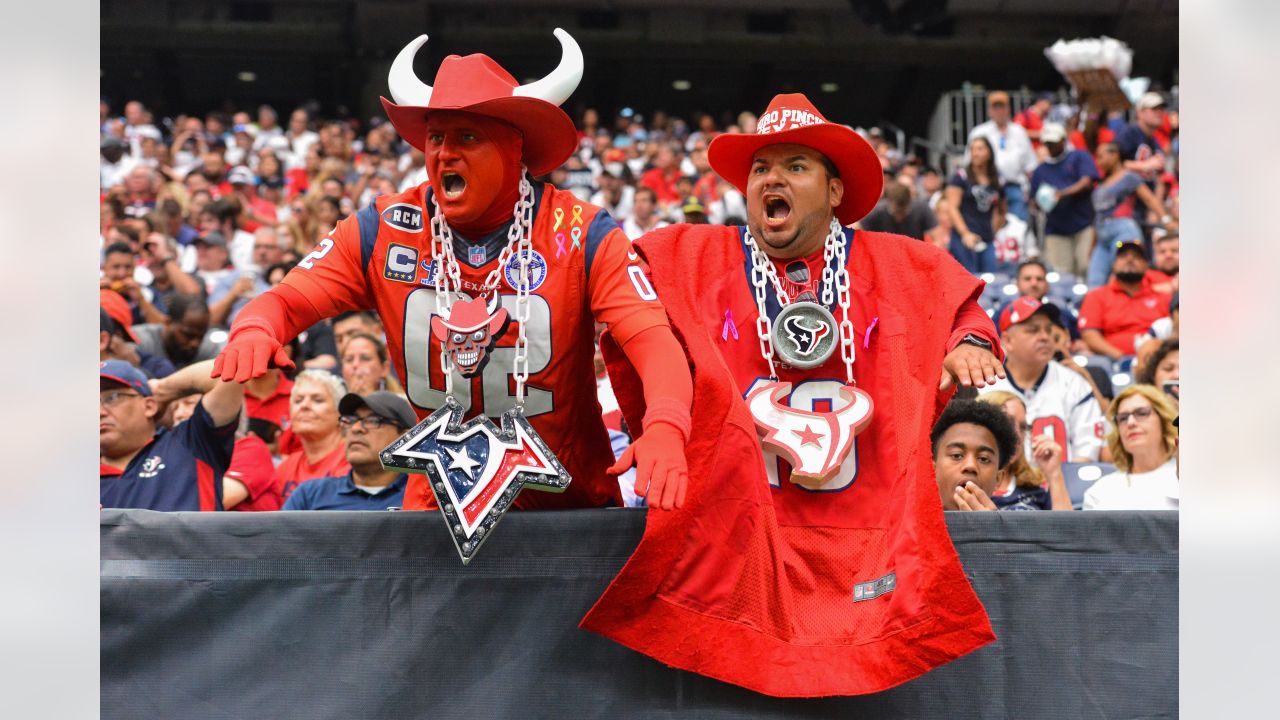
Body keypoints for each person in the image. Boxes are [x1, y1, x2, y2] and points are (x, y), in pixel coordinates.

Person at [583, 93, 1003, 697]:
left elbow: (961, 307)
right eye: (760, 168)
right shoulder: (692, 257)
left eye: (794, 166)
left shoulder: (899, 264)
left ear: (835, 192)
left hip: (864, 541)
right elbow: (626, 314)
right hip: (743, 540)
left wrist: (968, 341)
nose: (771, 179)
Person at [212, 29, 692, 512]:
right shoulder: (383, 228)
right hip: (441, 506)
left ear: (514, 149)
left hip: (567, 505)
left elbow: (651, 337)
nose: (444, 153)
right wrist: (256, 327)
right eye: (435, 137)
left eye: (468, 136)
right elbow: (286, 300)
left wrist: (666, 425)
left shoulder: (582, 230)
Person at [100, 360, 242, 511]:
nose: (100, 412)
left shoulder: (190, 442)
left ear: (149, 406)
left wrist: (162, 389)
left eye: (113, 397)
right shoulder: (77, 481)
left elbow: (231, 370)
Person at [985, 296, 1104, 462]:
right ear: (1007, 341)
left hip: (1062, 484)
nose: (1045, 337)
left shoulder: (1073, 383)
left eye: (1048, 330)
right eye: (1033, 330)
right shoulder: (984, 383)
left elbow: (1086, 453)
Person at [282, 391, 417, 510]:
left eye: (373, 420)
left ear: (405, 437)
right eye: (350, 420)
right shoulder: (310, 495)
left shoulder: (423, 498)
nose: (356, 428)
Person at [1083, 384, 1179, 510]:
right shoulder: (1098, 492)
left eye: (1142, 413)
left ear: (1163, 419)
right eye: (1123, 418)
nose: (1131, 423)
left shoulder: (1185, 479)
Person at [1087, 142, 1167, 287]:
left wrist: (1166, 219)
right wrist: (1092, 246)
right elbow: (1097, 216)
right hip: (1102, 237)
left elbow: (1149, 199)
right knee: (1094, 282)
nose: (1098, 161)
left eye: (1101, 156)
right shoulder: (1101, 185)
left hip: (1123, 230)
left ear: (1115, 155)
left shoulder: (1129, 177)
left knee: (1125, 275)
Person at [977, 390, 1073, 511]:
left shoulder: (1033, 487)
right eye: (1008, 422)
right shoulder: (965, 480)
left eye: (1023, 427)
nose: (1017, 434)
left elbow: (1066, 528)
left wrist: (1054, 475)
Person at [1078, 240, 1172, 361]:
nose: (1130, 260)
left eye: (1136, 257)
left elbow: (1174, 332)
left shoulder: (1163, 298)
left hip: (1156, 360)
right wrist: (1120, 357)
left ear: (1146, 266)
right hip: (1111, 361)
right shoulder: (1096, 296)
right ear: (1114, 265)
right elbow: (1090, 335)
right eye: (1123, 256)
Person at [1029, 122, 1099, 277]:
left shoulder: (1079, 156)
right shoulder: (1040, 170)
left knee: (1085, 266)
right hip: (1056, 228)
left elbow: (1087, 181)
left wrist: (1061, 194)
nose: (1051, 146)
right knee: (1061, 274)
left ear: (1063, 140)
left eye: (1054, 142)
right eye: (1048, 143)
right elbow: (1033, 201)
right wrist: (1042, 202)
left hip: (1083, 224)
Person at [931, 399, 1021, 512]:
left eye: (983, 458)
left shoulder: (1019, 528)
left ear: (998, 479)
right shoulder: (905, 525)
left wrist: (989, 527)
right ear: (932, 470)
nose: (970, 466)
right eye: (957, 455)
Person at [275, 369, 350, 502]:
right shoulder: (287, 466)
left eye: (317, 400)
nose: (304, 405)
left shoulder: (352, 459)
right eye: (298, 400)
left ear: (340, 413)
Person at [967, 91, 1036, 221]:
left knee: (1018, 233)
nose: (999, 111)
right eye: (995, 107)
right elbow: (970, 163)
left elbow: (1030, 166)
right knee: (991, 232)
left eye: (1002, 107)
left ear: (1008, 109)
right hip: (989, 189)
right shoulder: (979, 132)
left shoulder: (1019, 131)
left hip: (1016, 188)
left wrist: (1032, 192)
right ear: (989, 110)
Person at [945, 136, 1005, 273]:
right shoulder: (961, 176)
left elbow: (1001, 209)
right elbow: (952, 207)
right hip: (963, 238)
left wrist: (993, 230)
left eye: (980, 149)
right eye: (972, 149)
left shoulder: (997, 178)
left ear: (989, 152)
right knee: (969, 280)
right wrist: (965, 233)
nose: (975, 153)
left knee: (990, 280)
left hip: (987, 238)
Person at [993, 258, 1081, 341]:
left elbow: (1078, 338)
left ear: (1047, 285)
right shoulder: (1004, 312)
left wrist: (1079, 343)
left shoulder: (1060, 313)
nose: (1034, 283)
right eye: (1027, 279)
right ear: (1017, 284)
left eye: (1039, 279)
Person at [859, 180, 937, 240]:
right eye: (896, 213)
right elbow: (858, 230)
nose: (899, 218)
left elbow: (936, 235)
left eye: (902, 213)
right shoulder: (877, 211)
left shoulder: (921, 209)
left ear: (910, 203)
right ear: (888, 203)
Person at [340, 331, 405, 395]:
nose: (355, 364)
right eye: (349, 359)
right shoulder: (334, 402)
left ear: (384, 369)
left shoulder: (404, 403)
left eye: (365, 358)